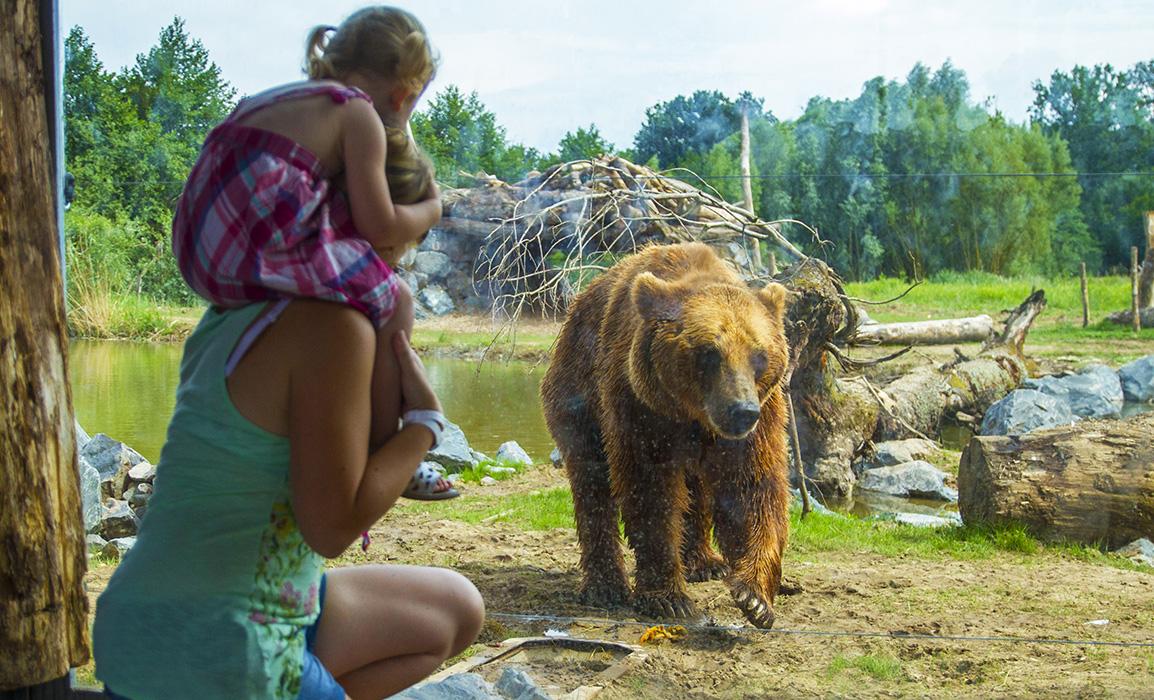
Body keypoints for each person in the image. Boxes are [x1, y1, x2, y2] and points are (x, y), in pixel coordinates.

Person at [92, 8, 484, 700]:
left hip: (144, 622)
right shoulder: (333, 329)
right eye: (401, 255)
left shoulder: (231, 315)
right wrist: (424, 423)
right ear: (363, 225)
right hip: (219, 642)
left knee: (456, 608)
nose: (397, 280)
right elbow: (333, 527)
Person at [171, 5, 453, 500]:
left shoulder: (284, 98)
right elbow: (379, 222)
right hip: (256, 243)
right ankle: (383, 447)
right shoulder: (357, 112)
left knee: (357, 297)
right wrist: (432, 209)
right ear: (404, 93)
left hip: (203, 246)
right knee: (396, 300)